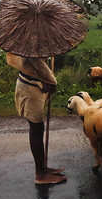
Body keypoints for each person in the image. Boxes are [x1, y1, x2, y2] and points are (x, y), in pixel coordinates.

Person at [6, 53, 67, 185]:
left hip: (32, 85)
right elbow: (35, 61)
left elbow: (38, 64)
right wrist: (51, 80)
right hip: (30, 88)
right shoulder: (30, 44)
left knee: (38, 128)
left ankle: (43, 168)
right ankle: (40, 174)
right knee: (36, 128)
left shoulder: (30, 40)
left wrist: (46, 79)